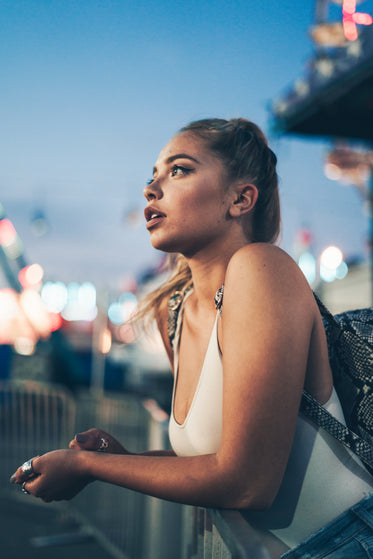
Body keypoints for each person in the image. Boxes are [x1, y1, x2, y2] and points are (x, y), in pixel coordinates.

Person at [10, 118, 373, 558]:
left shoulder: (263, 270)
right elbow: (209, 465)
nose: (151, 189)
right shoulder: (175, 313)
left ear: (240, 198)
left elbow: (247, 482)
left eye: (179, 170)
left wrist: (90, 463)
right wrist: (121, 459)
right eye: (153, 176)